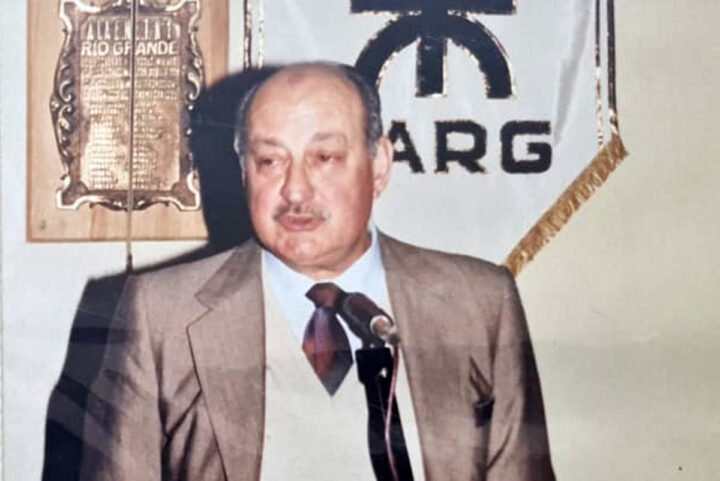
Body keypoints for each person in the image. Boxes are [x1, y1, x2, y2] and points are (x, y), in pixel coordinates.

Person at [77, 62, 555, 480]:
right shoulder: (160, 314)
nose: (295, 191)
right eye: (269, 161)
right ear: (243, 170)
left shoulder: (479, 303)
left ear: (380, 164)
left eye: (324, 158)